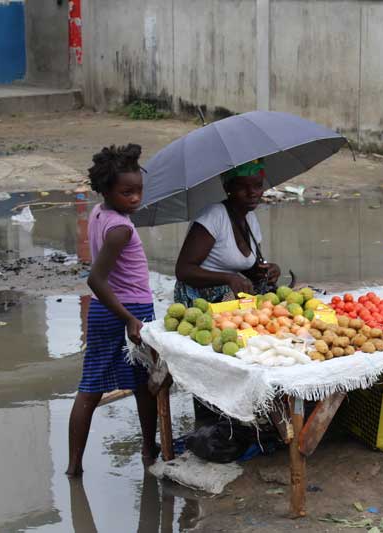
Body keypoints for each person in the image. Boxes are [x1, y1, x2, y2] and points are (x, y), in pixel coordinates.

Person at [67, 144, 158, 477]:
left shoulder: (100, 213)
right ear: (106, 190)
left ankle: (74, 468)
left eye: (138, 191)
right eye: (127, 193)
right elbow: (95, 278)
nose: (135, 198)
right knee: (145, 385)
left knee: (91, 387)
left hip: (106, 310)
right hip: (128, 309)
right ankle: (150, 451)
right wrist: (132, 319)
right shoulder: (121, 229)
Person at [174, 159, 281, 305]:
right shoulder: (213, 217)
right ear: (228, 188)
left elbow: (250, 268)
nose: (252, 193)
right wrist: (229, 278)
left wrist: (267, 272)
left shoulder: (251, 218)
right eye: (243, 187)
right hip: (199, 298)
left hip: (229, 294)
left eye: (258, 186)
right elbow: (183, 270)